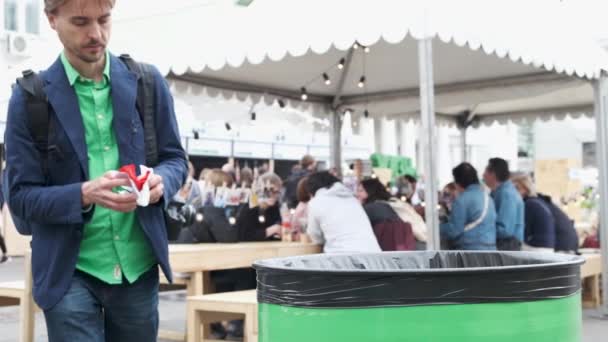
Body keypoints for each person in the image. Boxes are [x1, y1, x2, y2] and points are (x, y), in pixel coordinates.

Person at [4, 1, 188, 340]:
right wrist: (83, 193)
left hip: (138, 265)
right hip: (68, 268)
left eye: (104, 20)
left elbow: (176, 159)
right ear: (51, 20)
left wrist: (164, 180)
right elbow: (19, 198)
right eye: (80, 22)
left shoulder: (147, 83)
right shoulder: (29, 99)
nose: (96, 33)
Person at [306, 171, 381, 253]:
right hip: (373, 253)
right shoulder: (352, 199)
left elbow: (315, 235)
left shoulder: (316, 203)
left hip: (342, 256)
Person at [440, 163, 497, 250]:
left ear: (458, 182)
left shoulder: (462, 200)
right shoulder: (488, 198)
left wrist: (437, 227)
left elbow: (454, 230)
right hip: (491, 249)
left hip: (470, 251)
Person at [357, 178, 416, 251]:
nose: (357, 194)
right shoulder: (385, 204)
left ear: (370, 191)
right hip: (400, 245)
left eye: (361, 191)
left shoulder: (370, 208)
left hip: (383, 247)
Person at [483, 158, 524, 251]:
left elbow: (505, 230)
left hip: (507, 245)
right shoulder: (499, 192)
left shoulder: (506, 194)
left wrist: (481, 231)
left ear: (493, 174)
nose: (483, 175)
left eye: (485, 171)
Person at [511, 174, 556, 252]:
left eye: (516, 188)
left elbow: (523, 232)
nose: (513, 192)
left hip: (537, 248)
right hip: (548, 248)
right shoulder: (537, 202)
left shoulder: (529, 204)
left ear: (525, 189)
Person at [237, 172, 283, 241]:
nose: (273, 195)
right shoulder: (251, 205)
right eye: (269, 190)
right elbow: (244, 236)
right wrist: (273, 230)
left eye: (277, 192)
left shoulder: (274, 206)